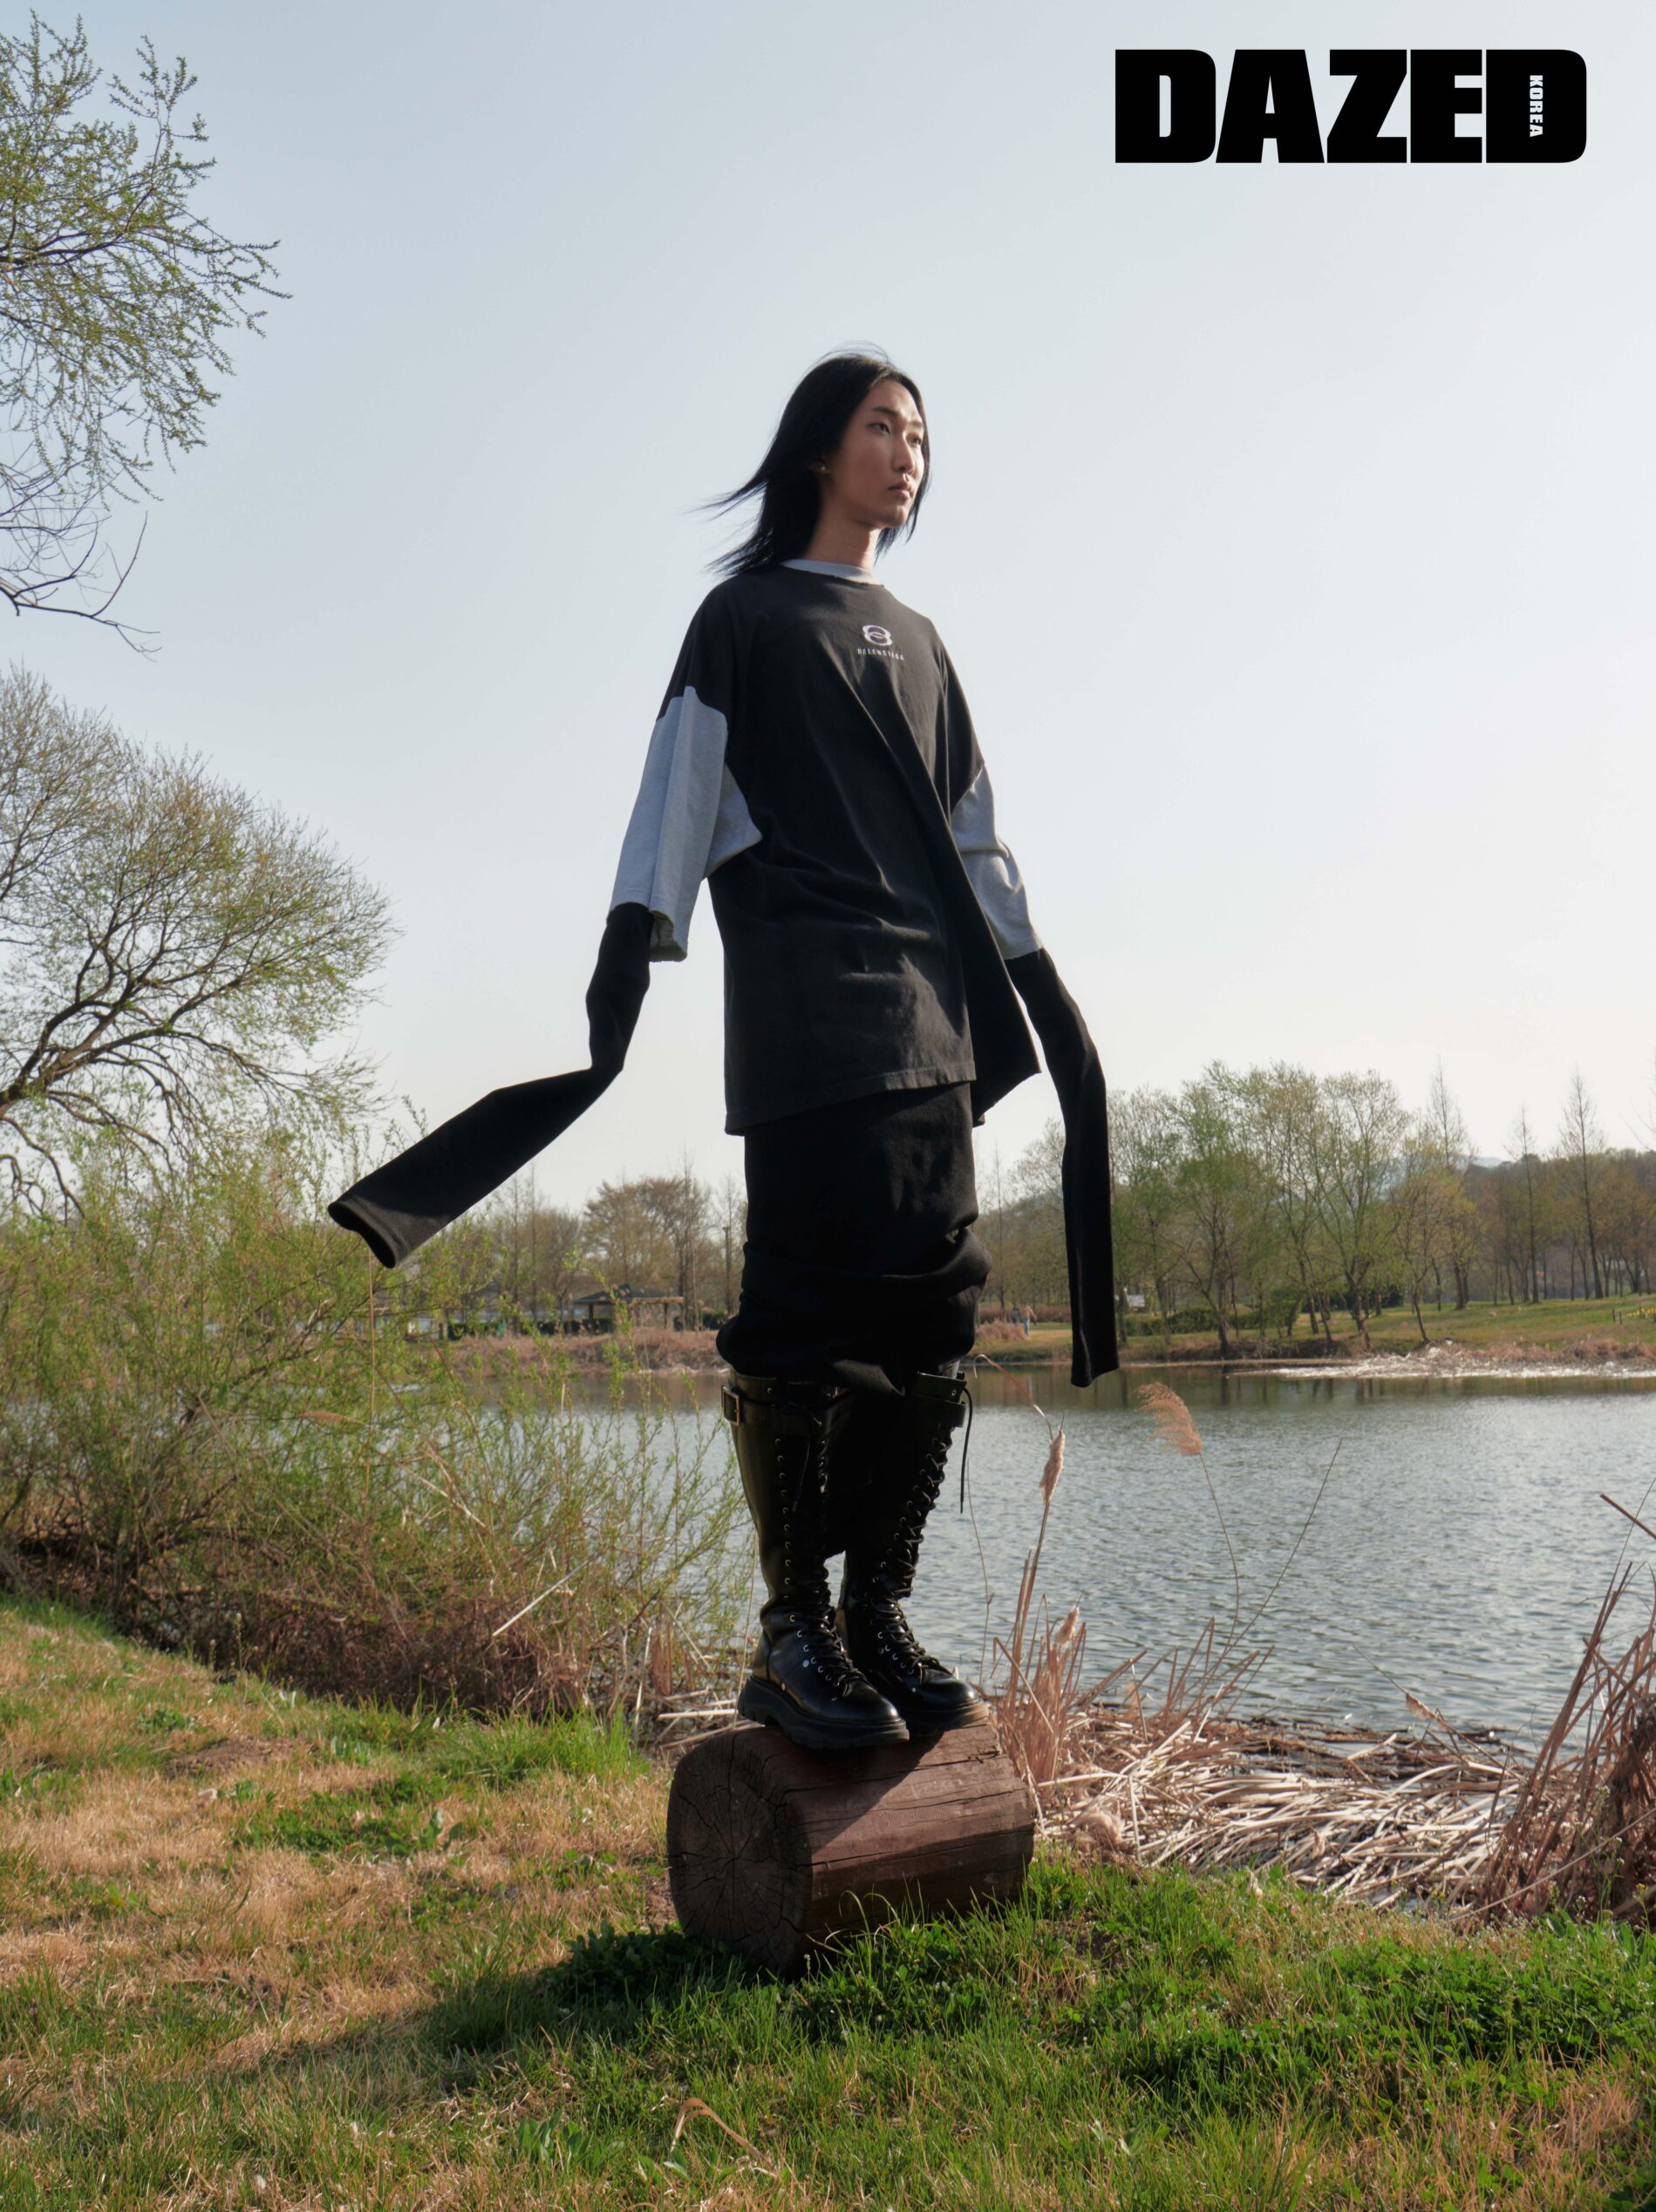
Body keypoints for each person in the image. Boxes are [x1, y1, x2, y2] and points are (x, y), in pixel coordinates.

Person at [327, 351, 1116, 1753]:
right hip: (810, 1019)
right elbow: (677, 795)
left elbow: (977, 838)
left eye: (922, 436)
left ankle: (878, 1610)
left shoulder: (924, 642)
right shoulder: (743, 620)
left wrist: (1045, 993)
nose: (909, 453)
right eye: (883, 426)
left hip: (933, 1030)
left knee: (934, 1320)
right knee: (803, 1320)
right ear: (819, 447)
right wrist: (626, 965)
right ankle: (790, 1630)